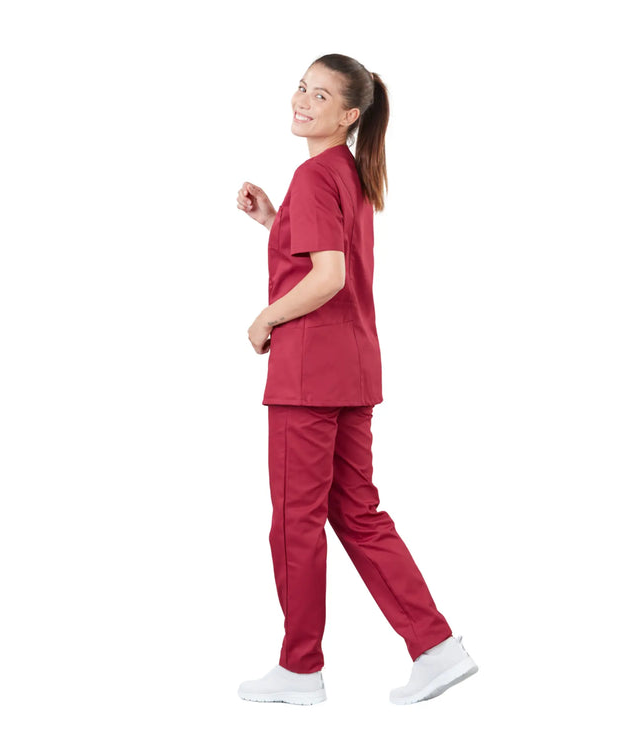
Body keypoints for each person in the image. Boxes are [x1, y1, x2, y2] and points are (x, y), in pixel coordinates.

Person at [235, 53, 478, 705]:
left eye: (320, 95)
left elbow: (328, 277)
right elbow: (323, 255)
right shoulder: (348, 171)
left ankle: (299, 670)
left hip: (307, 375)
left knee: (296, 522)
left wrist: (264, 318)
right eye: (301, 87)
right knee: (356, 512)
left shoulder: (316, 174)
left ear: (348, 114)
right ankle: (437, 648)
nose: (302, 100)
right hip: (352, 367)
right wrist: (274, 220)